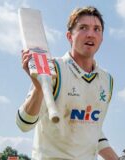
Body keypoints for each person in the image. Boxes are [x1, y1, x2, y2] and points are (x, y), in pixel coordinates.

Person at [16, 6, 119, 160]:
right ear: (69, 36)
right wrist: (39, 88)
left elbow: (93, 132)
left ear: (102, 38)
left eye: (97, 29)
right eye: (83, 28)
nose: (91, 34)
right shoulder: (53, 69)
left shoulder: (107, 81)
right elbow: (24, 124)